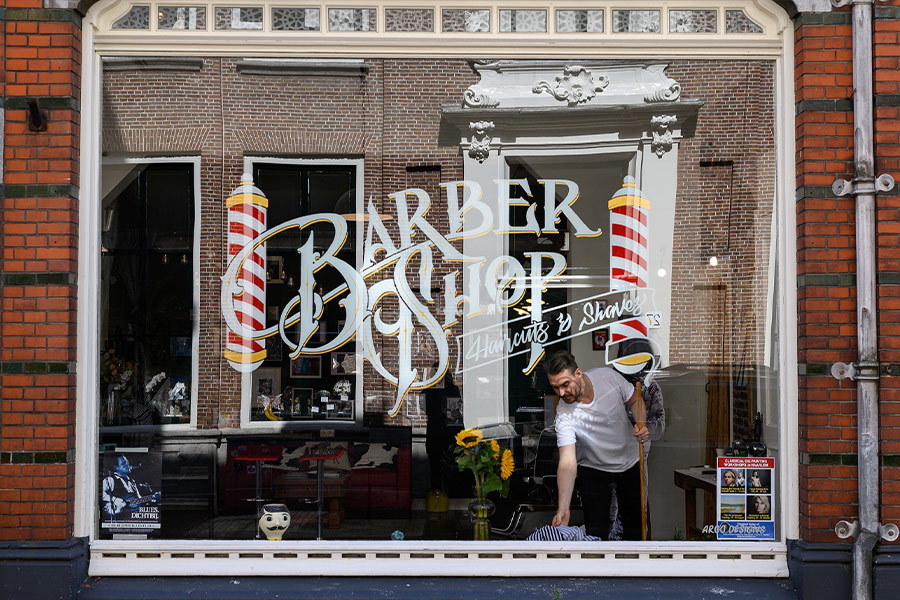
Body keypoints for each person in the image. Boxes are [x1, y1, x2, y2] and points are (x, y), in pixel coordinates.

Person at [545, 350, 649, 540]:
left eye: (565, 385)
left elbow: (635, 399)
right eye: (555, 387)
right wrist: (563, 509)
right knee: (596, 533)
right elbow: (567, 462)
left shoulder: (607, 377)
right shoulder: (564, 413)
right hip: (593, 468)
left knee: (635, 529)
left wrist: (641, 422)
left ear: (578, 373)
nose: (561, 392)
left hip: (629, 462)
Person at [102, 454, 157, 520]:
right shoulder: (110, 480)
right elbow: (103, 495)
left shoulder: (132, 482)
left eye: (127, 462)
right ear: (116, 467)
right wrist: (116, 500)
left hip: (132, 518)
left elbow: (138, 500)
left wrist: (151, 498)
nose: (127, 464)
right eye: (124, 463)